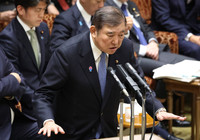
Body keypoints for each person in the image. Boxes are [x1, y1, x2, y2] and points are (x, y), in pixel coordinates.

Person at [33, 6, 186, 139]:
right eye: (110, 35)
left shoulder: (124, 48)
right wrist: (48, 121)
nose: (116, 42)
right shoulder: (67, 54)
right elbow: (43, 94)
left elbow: (137, 83)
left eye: (121, 34)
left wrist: (156, 109)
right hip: (74, 133)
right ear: (93, 31)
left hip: (108, 132)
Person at [0, 0, 51, 139]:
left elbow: (48, 67)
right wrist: (42, 104)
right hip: (26, 106)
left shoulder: (43, 29)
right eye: (38, 10)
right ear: (21, 10)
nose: (42, 15)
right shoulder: (8, 37)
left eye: (44, 9)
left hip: (44, 96)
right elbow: (19, 80)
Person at [0, 48, 24, 140]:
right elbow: (15, 78)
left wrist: (11, 96)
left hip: (11, 122)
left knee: (47, 131)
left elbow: (20, 79)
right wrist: (12, 81)